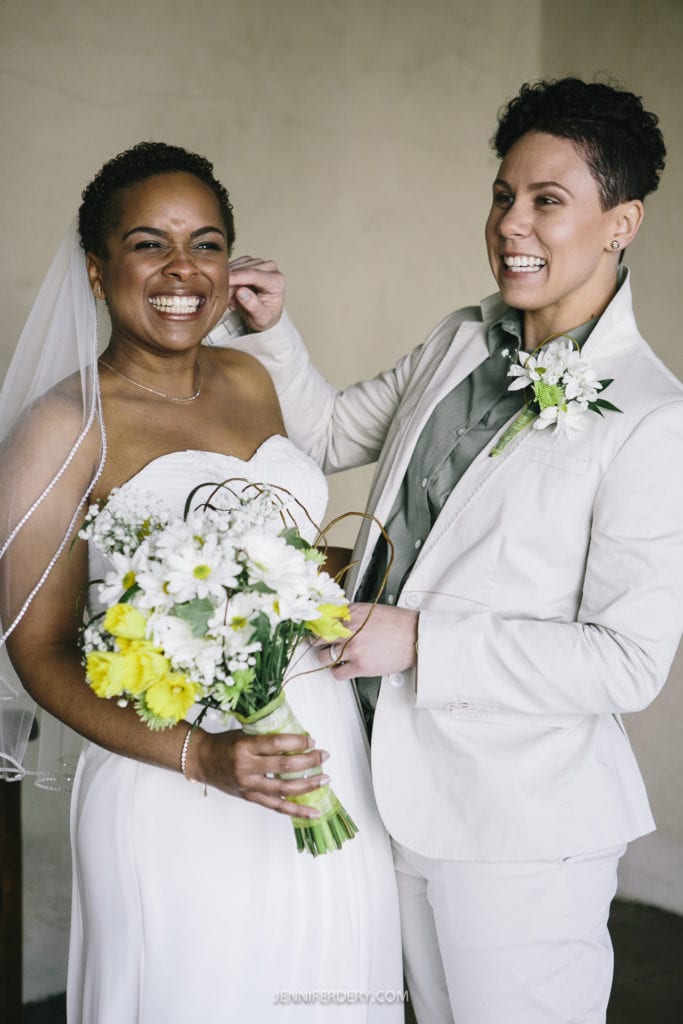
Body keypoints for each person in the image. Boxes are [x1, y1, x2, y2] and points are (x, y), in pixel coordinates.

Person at [215, 77, 683, 1024]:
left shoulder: (650, 420)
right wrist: (269, 333)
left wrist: (421, 637)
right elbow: (329, 431)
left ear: (619, 222)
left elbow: (627, 662)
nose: (511, 221)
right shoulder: (460, 341)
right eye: (503, 194)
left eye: (547, 201)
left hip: (519, 826)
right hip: (386, 781)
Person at [0, 143, 403, 1023]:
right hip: (171, 779)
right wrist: (204, 755)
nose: (183, 269)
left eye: (207, 242)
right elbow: (34, 646)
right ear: (99, 269)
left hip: (321, 755)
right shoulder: (63, 426)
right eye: (149, 243)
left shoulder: (253, 377)